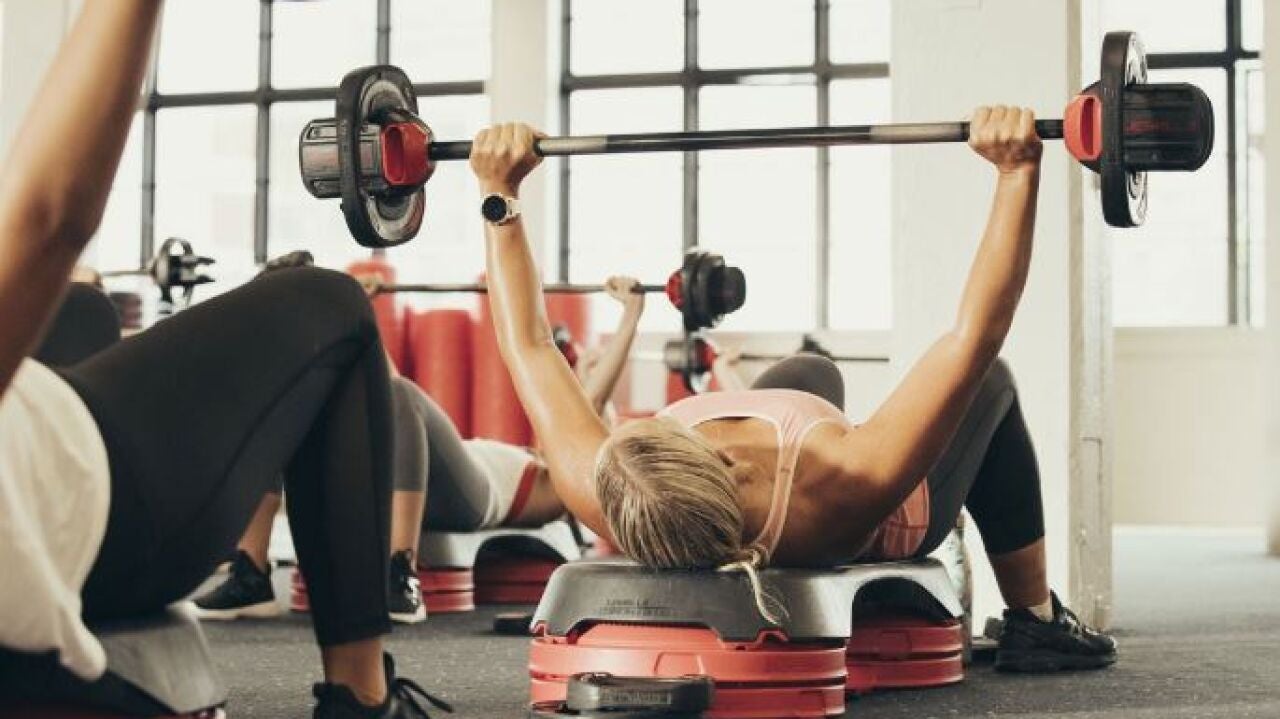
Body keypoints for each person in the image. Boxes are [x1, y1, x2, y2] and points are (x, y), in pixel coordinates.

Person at [468, 114, 1117, 673]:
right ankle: (1036, 619)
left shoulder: (606, 486)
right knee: (989, 382)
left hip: (791, 432)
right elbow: (974, 336)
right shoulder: (838, 481)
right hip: (876, 493)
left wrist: (499, 191)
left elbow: (529, 343)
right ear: (728, 461)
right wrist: (1016, 172)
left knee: (810, 370)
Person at [0, 3, 445, 717]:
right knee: (332, 306)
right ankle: (364, 695)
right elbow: (49, 214)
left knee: (80, 307)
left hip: (35, 434)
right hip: (90, 510)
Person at [194, 275, 646, 623]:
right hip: (414, 487)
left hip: (468, 504)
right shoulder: (531, 455)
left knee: (403, 395)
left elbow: (590, 402)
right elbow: (383, 395)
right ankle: (250, 574)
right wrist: (363, 315)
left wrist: (631, 315)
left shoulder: (566, 475)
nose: (580, 392)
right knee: (292, 399)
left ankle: (400, 573)